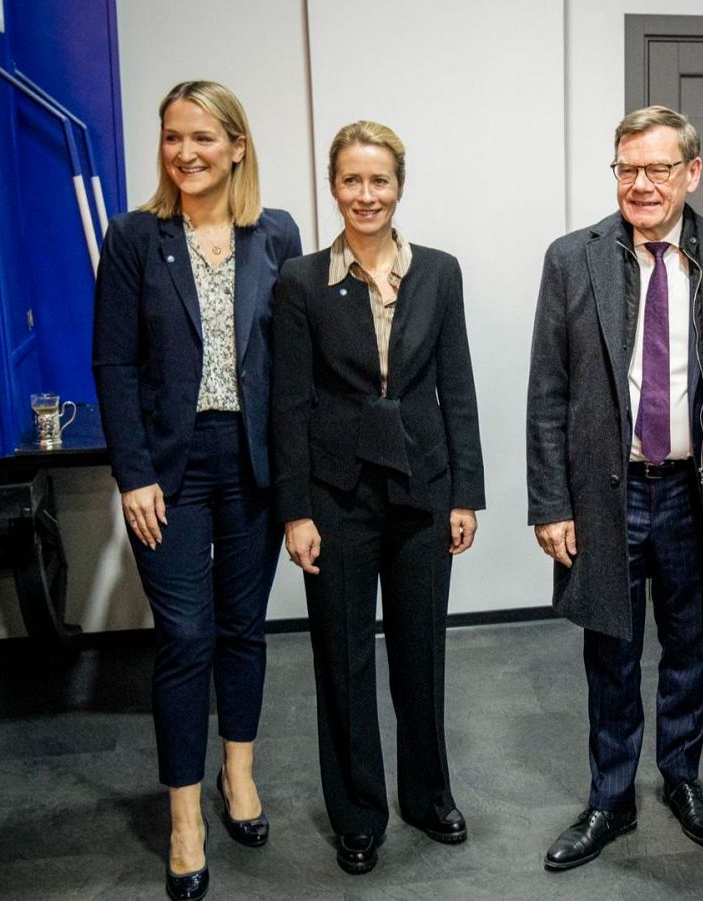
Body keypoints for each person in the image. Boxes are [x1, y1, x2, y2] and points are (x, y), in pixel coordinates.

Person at [526, 105, 703, 871]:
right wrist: (550, 502)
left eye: (658, 169)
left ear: (690, 174)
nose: (640, 184)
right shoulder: (574, 257)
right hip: (608, 491)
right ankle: (610, 796)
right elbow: (548, 392)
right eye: (627, 168)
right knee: (612, 649)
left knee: (691, 646)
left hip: (696, 493)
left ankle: (684, 777)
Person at [93, 80, 301, 901]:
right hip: (171, 467)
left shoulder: (273, 233)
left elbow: (297, 356)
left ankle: (237, 775)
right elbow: (113, 363)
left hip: (252, 459)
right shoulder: (136, 238)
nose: (186, 152)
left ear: (238, 147)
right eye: (174, 137)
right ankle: (185, 818)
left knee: (243, 627)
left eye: (204, 138)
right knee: (185, 639)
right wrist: (133, 471)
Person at [271, 120, 485, 876]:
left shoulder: (439, 271)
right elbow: (289, 403)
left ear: (400, 186)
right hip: (336, 494)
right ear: (334, 186)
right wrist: (295, 511)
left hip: (423, 490)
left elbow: (455, 385)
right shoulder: (302, 280)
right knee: (344, 658)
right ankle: (358, 813)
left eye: (380, 181)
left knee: (422, 651)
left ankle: (428, 795)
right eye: (353, 181)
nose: (367, 195)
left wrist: (467, 493)